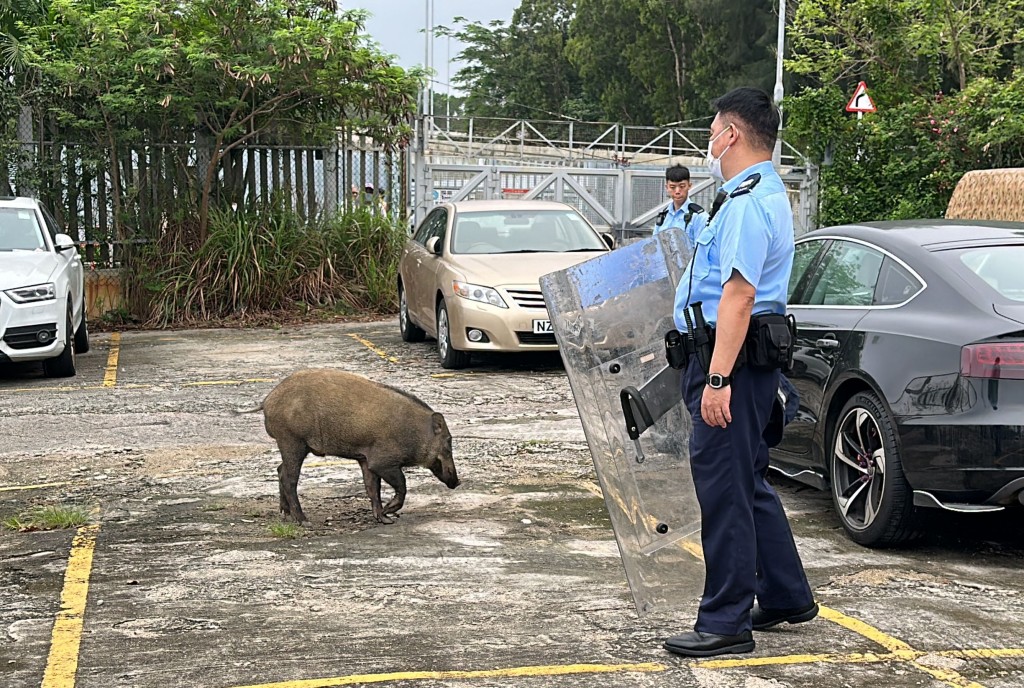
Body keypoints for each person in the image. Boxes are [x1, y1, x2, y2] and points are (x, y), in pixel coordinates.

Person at [662, 87, 816, 658]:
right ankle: (784, 594)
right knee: (747, 482)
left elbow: (739, 294)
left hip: (731, 363)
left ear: (731, 134)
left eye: (711, 132)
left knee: (724, 490)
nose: (708, 142)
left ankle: (725, 621)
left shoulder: (749, 202)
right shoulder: (754, 195)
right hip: (741, 362)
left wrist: (718, 380)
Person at [652, 164, 707, 248]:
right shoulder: (663, 216)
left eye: (682, 186)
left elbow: (701, 252)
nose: (677, 191)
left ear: (689, 185)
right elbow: (655, 246)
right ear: (666, 187)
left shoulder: (699, 216)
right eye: (672, 187)